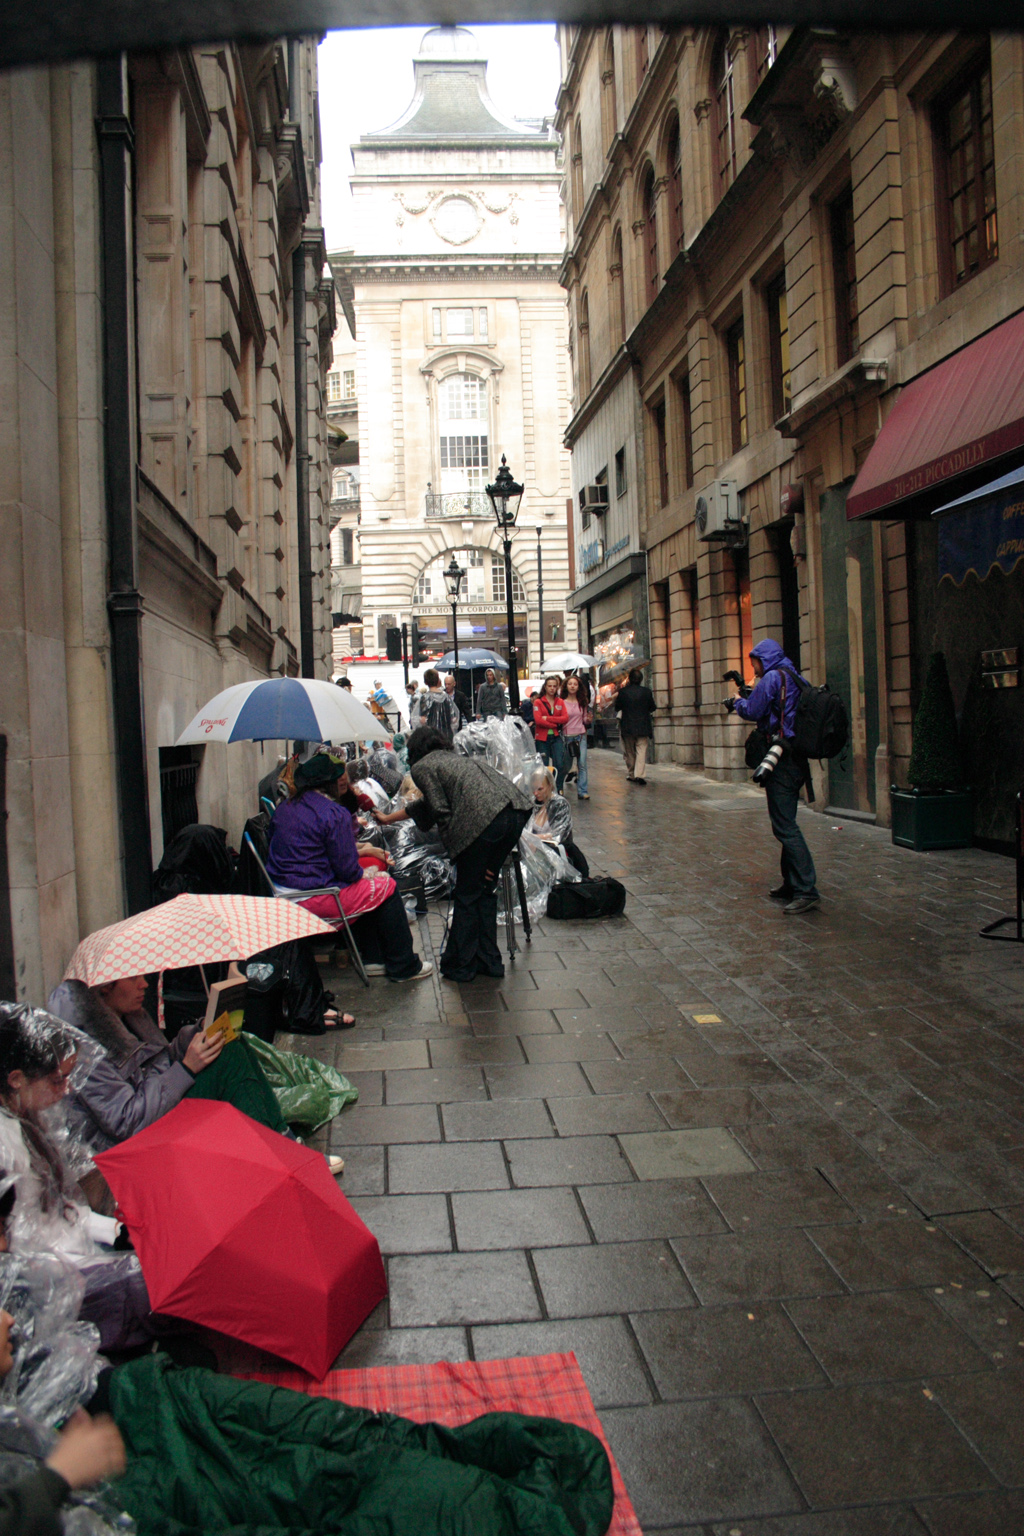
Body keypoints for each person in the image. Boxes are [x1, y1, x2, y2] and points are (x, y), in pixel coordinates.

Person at [0, 1003, 167, 1352]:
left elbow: (65, 1209)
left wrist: (116, 1232)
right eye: (57, 1080)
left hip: (75, 1252)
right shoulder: (6, 1146)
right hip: (49, 1280)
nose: (66, 1090)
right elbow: (26, 1243)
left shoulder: (32, 1120)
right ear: (16, 1079)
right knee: (152, 1284)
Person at [47, 976, 295, 1152]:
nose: (144, 983)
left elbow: (159, 1061)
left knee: (229, 1042)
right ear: (105, 988)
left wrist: (201, 1031)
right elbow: (128, 1122)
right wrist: (186, 1068)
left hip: (158, 1113)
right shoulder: (84, 1051)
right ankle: (276, 1149)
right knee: (229, 1059)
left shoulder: (130, 1018)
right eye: (133, 978)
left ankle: (281, 1139)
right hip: (137, 1147)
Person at [376, 728, 532, 982]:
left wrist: (457, 852)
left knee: (468, 894)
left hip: (485, 821)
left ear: (415, 749)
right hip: (514, 814)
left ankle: (462, 965)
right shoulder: (453, 760)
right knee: (483, 887)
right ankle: (488, 961)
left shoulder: (422, 766)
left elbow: (439, 810)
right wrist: (387, 818)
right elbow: (425, 806)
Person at [264, 752, 431, 981]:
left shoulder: (285, 808)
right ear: (330, 784)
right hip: (313, 897)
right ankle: (403, 966)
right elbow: (348, 871)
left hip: (281, 891)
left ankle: (374, 959)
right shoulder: (334, 813)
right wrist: (367, 872)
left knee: (370, 885)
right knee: (386, 886)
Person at [726, 637, 820, 914]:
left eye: (754, 661)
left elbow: (754, 710)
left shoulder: (771, 678)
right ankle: (791, 883)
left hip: (779, 758)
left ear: (763, 658)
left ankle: (806, 889)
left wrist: (737, 703)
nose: (753, 667)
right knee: (785, 820)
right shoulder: (794, 676)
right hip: (795, 756)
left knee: (784, 826)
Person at [527, 767, 589, 876]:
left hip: (556, 855)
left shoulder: (560, 804)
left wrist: (532, 839)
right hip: (535, 853)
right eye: (534, 789)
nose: (536, 793)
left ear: (550, 786)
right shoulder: (533, 803)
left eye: (540, 789)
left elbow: (559, 836)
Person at [614, 668, 657, 784]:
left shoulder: (623, 692)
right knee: (641, 750)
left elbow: (617, 707)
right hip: (643, 725)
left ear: (629, 679)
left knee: (629, 751)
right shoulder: (647, 692)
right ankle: (640, 775)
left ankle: (632, 773)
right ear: (641, 679)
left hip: (627, 725)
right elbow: (653, 707)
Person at [533, 675, 569, 790]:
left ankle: (558, 788)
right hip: (542, 738)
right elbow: (538, 721)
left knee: (560, 764)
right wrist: (555, 724)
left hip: (556, 736)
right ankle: (545, 790)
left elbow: (565, 718)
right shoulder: (538, 702)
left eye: (554, 686)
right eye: (549, 686)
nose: (552, 688)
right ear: (545, 687)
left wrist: (547, 719)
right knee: (544, 766)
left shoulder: (560, 701)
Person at [560, 675, 592, 800]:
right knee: (566, 766)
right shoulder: (561, 702)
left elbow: (584, 719)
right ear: (566, 686)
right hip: (567, 736)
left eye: (575, 684)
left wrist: (588, 720)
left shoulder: (582, 702)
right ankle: (559, 787)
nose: (572, 686)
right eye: (570, 684)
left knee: (582, 763)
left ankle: (583, 791)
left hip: (580, 736)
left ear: (579, 687)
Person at [413, 669, 460, 740]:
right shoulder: (447, 698)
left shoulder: (424, 698)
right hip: (446, 737)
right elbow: (454, 719)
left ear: (425, 682)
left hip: (430, 739)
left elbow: (420, 720)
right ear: (438, 681)